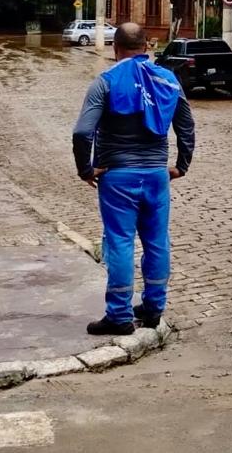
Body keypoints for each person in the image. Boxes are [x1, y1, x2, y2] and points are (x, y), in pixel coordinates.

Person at [72, 22, 195, 336]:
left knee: (121, 243)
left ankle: (119, 315)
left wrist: (85, 169)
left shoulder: (105, 83)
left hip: (118, 177)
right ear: (147, 46)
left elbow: (83, 132)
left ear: (115, 48)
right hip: (156, 176)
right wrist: (181, 166)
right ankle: (153, 308)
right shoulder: (168, 80)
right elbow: (186, 126)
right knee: (157, 243)